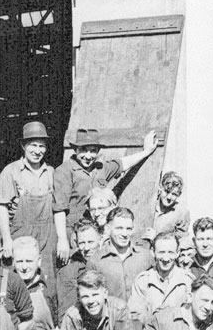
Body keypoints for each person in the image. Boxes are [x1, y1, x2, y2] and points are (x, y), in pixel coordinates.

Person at [54, 127, 157, 260]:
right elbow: (59, 209)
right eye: (84, 150)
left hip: (98, 231)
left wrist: (146, 151)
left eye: (93, 151)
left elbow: (123, 163)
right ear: (75, 150)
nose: (88, 155)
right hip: (75, 233)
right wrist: (62, 240)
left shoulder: (101, 168)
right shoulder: (65, 171)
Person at [0, 121, 58, 274]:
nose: (37, 151)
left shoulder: (51, 172)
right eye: (33, 145)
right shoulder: (11, 171)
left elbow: (58, 208)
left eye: (41, 146)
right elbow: (2, 207)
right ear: (23, 146)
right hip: (20, 237)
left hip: (47, 238)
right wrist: (7, 239)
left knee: (47, 283)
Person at [86, 206, 153, 301]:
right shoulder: (95, 261)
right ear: (108, 229)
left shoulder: (145, 256)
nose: (124, 234)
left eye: (128, 229)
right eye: (119, 228)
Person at [11, 236, 57, 330]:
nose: (24, 267)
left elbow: (62, 327)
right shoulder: (6, 288)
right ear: (13, 262)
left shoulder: (51, 287)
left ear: (39, 261)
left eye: (29, 261)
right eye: (20, 262)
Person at [129, 231, 194, 319]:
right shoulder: (143, 281)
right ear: (153, 252)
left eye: (170, 252)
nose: (166, 258)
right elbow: (135, 316)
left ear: (177, 253)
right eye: (161, 252)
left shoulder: (187, 280)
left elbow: (192, 316)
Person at [55, 218, 103, 312]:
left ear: (100, 240)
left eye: (90, 242)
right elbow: (66, 311)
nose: (86, 248)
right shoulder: (67, 273)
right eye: (81, 243)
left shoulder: (108, 264)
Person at [140, 171, 190, 245]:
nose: (169, 197)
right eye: (166, 191)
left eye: (174, 194)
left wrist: (157, 237)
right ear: (160, 188)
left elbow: (181, 241)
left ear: (179, 194)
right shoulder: (148, 204)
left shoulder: (181, 213)